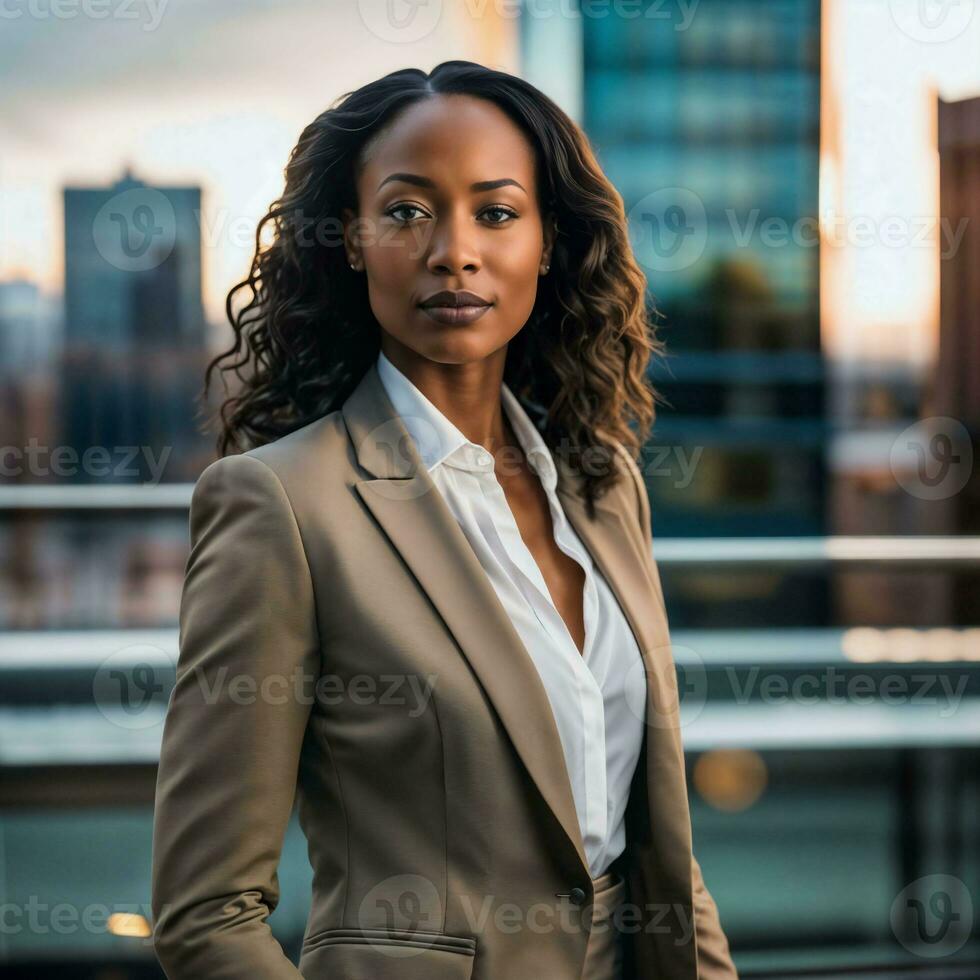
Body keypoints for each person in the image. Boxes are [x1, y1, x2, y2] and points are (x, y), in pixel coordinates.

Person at [150, 60, 737, 980]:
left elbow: (658, 848)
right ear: (350, 238)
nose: (453, 251)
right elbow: (205, 913)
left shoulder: (601, 483)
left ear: (548, 242)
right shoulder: (284, 507)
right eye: (407, 211)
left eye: (496, 213)